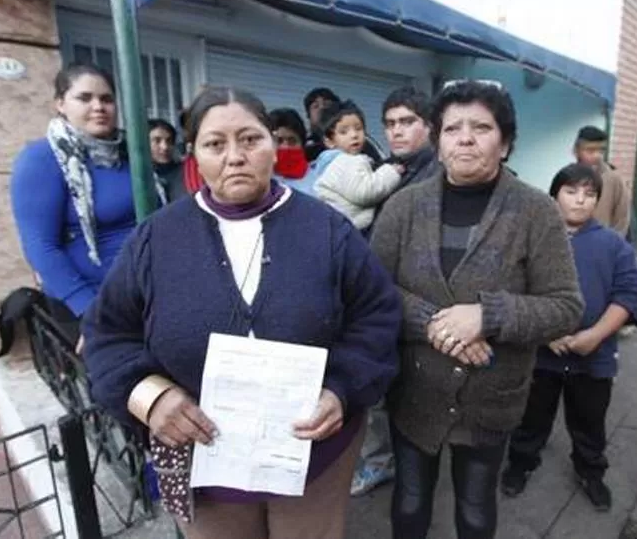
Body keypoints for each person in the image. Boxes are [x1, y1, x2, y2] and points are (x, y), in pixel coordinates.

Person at [82, 86, 402, 539]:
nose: (235, 156)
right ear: (193, 155)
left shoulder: (327, 229)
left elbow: (377, 317)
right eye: (215, 144)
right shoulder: (157, 239)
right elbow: (106, 334)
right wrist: (150, 398)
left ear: (274, 145)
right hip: (204, 459)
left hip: (314, 455)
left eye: (250, 139)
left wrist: (342, 389)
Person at [370, 80, 584, 539]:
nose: (465, 137)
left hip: (490, 395)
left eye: (481, 127)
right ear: (438, 139)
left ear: (505, 143)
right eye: (452, 128)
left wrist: (487, 317)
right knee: (409, 504)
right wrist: (437, 324)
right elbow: (373, 292)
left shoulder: (535, 211)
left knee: (474, 509)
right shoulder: (403, 207)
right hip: (414, 391)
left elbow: (566, 307)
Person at [500, 164, 637, 511]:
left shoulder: (612, 244)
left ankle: (590, 471)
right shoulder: (533, 237)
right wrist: (543, 330)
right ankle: (521, 462)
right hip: (540, 355)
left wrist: (596, 335)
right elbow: (512, 286)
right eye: (571, 191)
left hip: (592, 357)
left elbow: (631, 291)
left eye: (589, 194)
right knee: (530, 417)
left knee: (589, 421)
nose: (580, 201)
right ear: (554, 195)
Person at [350, 86, 438, 497]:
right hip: (377, 299)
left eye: (407, 122)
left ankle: (410, 467)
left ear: (428, 126)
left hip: (415, 302)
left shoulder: (436, 174)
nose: (397, 131)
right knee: (381, 389)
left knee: (412, 392)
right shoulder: (386, 169)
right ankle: (384, 462)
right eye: (390, 123)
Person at [11, 63, 136, 341]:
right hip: (90, 302)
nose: (98, 107)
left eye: (106, 99)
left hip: (142, 293)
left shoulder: (129, 154)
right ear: (60, 104)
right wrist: (90, 311)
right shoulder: (43, 158)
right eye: (84, 98)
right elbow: (40, 246)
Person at [311, 100, 402, 231]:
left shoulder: (329, 164)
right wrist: (391, 172)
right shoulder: (345, 161)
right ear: (330, 141)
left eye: (358, 128)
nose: (354, 135)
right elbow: (364, 192)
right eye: (344, 132)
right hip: (351, 231)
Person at [302, 86, 382, 164]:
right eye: (316, 106)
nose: (322, 108)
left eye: (326, 104)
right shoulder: (306, 145)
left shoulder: (359, 138)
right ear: (308, 115)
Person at [574, 126, 630, 235]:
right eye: (590, 150)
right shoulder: (567, 177)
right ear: (576, 151)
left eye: (601, 151)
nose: (597, 155)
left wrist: (611, 246)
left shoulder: (613, 179)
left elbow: (622, 220)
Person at [269, 108, 312, 193]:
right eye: (279, 141)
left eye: (292, 141)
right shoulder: (258, 179)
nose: (286, 147)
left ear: (302, 144)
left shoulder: (318, 178)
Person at [148, 118, 187, 203]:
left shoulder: (186, 172)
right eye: (157, 141)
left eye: (169, 141)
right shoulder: (139, 177)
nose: (165, 147)